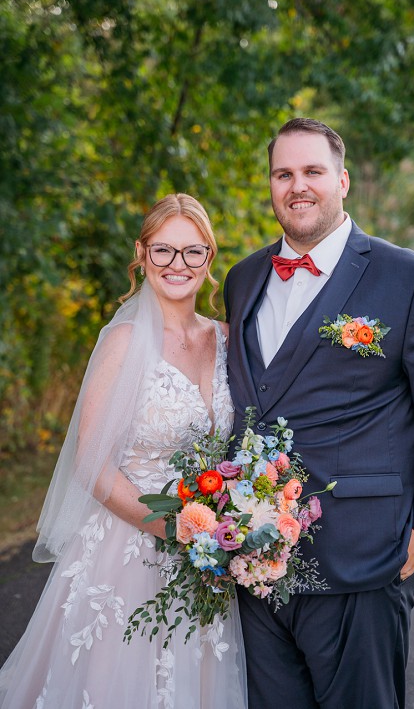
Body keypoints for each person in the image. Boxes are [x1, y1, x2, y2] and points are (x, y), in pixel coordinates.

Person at [223, 118, 414, 709]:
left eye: (313, 171)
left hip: (364, 559)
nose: (299, 186)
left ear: (342, 181)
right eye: (283, 173)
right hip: (255, 563)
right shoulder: (242, 281)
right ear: (269, 185)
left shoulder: (409, 278)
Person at [0, 194, 247, 709]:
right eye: (163, 251)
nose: (177, 265)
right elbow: (90, 463)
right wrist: (172, 528)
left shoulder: (226, 339)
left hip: (208, 561)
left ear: (209, 258)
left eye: (191, 252)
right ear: (141, 255)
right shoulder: (123, 343)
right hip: (127, 552)